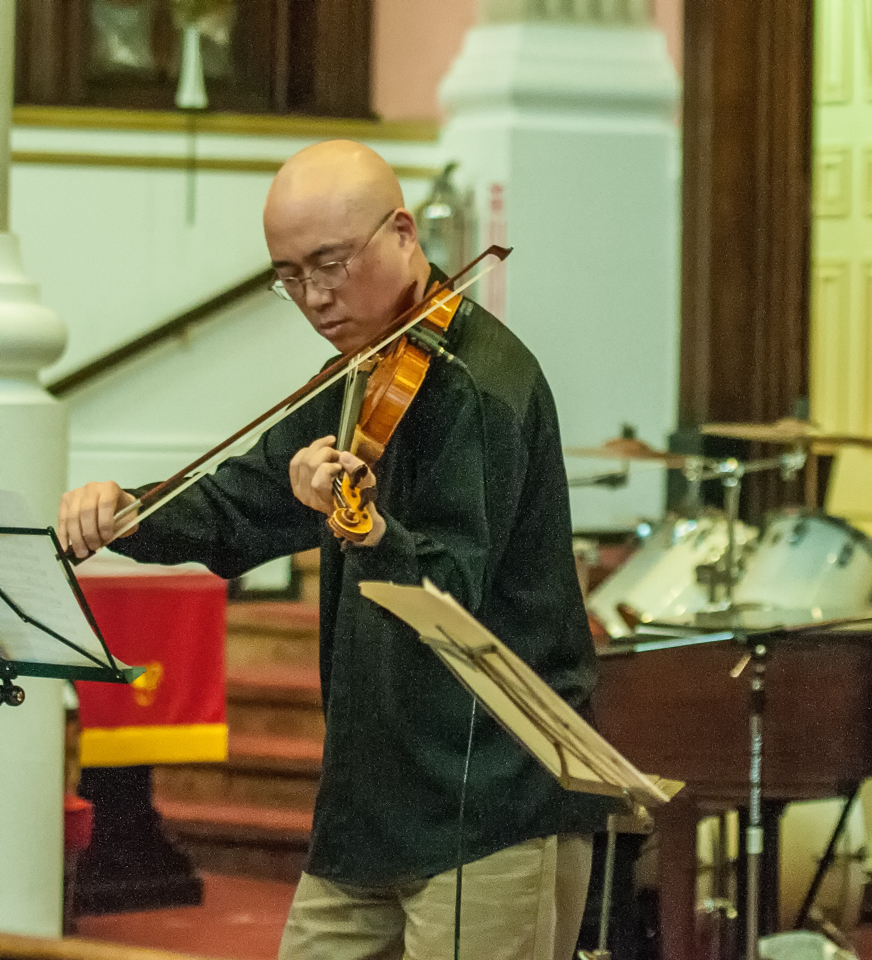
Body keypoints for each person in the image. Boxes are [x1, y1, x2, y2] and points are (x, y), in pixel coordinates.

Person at [58, 140, 609, 960]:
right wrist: (134, 512)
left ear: (401, 231)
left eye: (330, 264)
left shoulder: (487, 388)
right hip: (367, 806)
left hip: (485, 805)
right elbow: (240, 505)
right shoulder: (356, 373)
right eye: (289, 276)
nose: (314, 296)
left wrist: (371, 529)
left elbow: (452, 592)